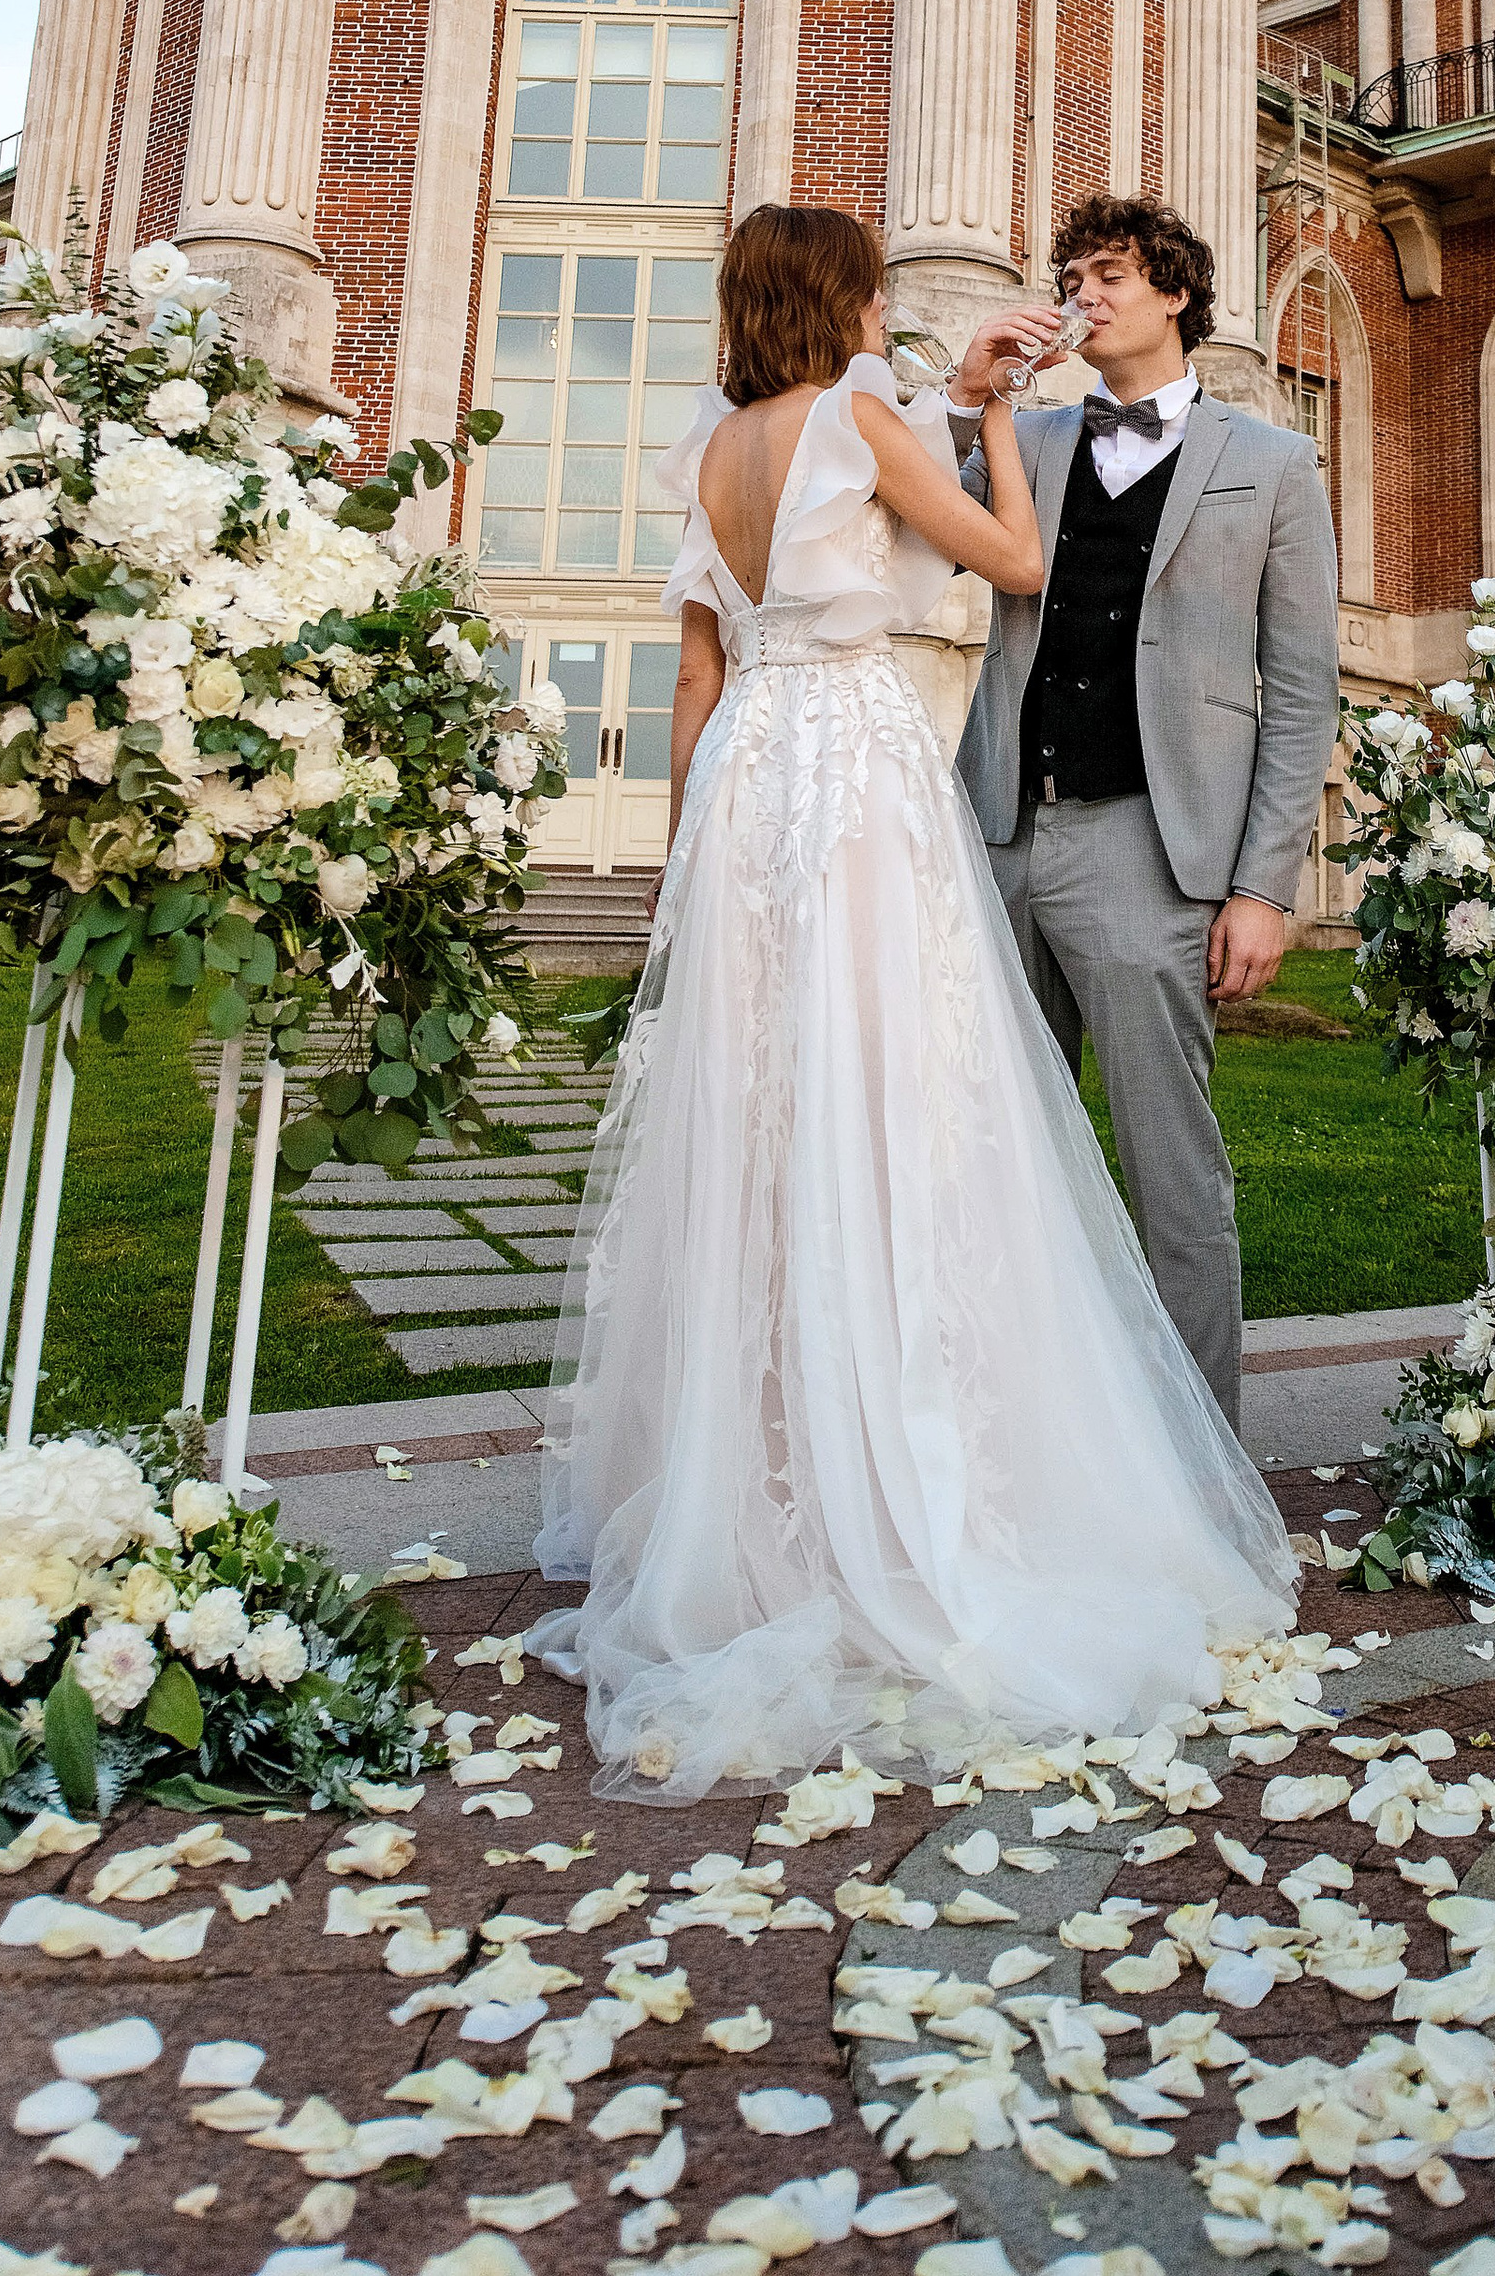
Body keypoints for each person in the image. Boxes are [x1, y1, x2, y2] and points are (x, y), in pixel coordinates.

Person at [533, 200, 1298, 1801]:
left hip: (747, 785)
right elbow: (1010, 558)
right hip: (864, 772)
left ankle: (764, 1486)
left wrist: (690, 863)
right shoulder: (862, 407)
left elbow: (691, 677)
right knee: (911, 1107)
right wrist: (998, 429)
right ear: (844, 297)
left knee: (760, 1119)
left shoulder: (712, 445)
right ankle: (915, 1470)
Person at [943, 198, 1340, 1429]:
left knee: (1173, 1174)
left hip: (1151, 854)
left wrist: (1265, 884)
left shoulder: (1272, 465)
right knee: (992, 1163)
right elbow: (916, 504)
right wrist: (973, 393)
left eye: (1106, 273)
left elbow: (1303, 687)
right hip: (1002, 832)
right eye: (1070, 275)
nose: (1081, 293)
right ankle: (1020, 1446)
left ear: (1173, 293)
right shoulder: (1035, 436)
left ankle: (1197, 1463)